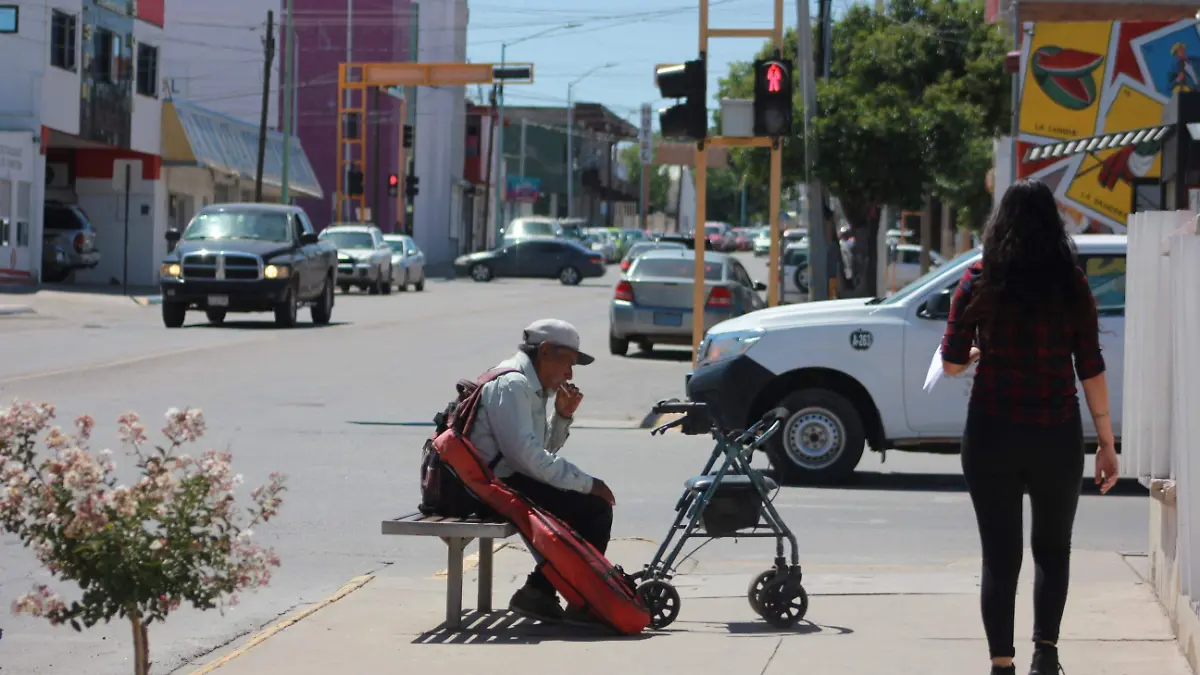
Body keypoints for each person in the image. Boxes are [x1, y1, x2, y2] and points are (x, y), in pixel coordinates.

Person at [940, 178, 1121, 675]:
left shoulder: (977, 279)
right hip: (1056, 432)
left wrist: (976, 352)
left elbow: (952, 361)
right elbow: (1091, 367)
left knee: (999, 556)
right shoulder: (1071, 283)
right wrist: (1105, 442)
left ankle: (1002, 664)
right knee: (1052, 549)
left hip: (991, 431)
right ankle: (1046, 653)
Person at [469, 318, 617, 624]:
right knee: (594, 508)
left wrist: (561, 416)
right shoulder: (513, 384)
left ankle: (544, 592)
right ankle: (559, 595)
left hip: (506, 481)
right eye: (568, 363)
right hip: (487, 489)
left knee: (587, 506)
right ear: (546, 352)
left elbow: (538, 452)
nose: (570, 374)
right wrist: (588, 484)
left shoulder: (531, 387)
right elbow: (527, 459)